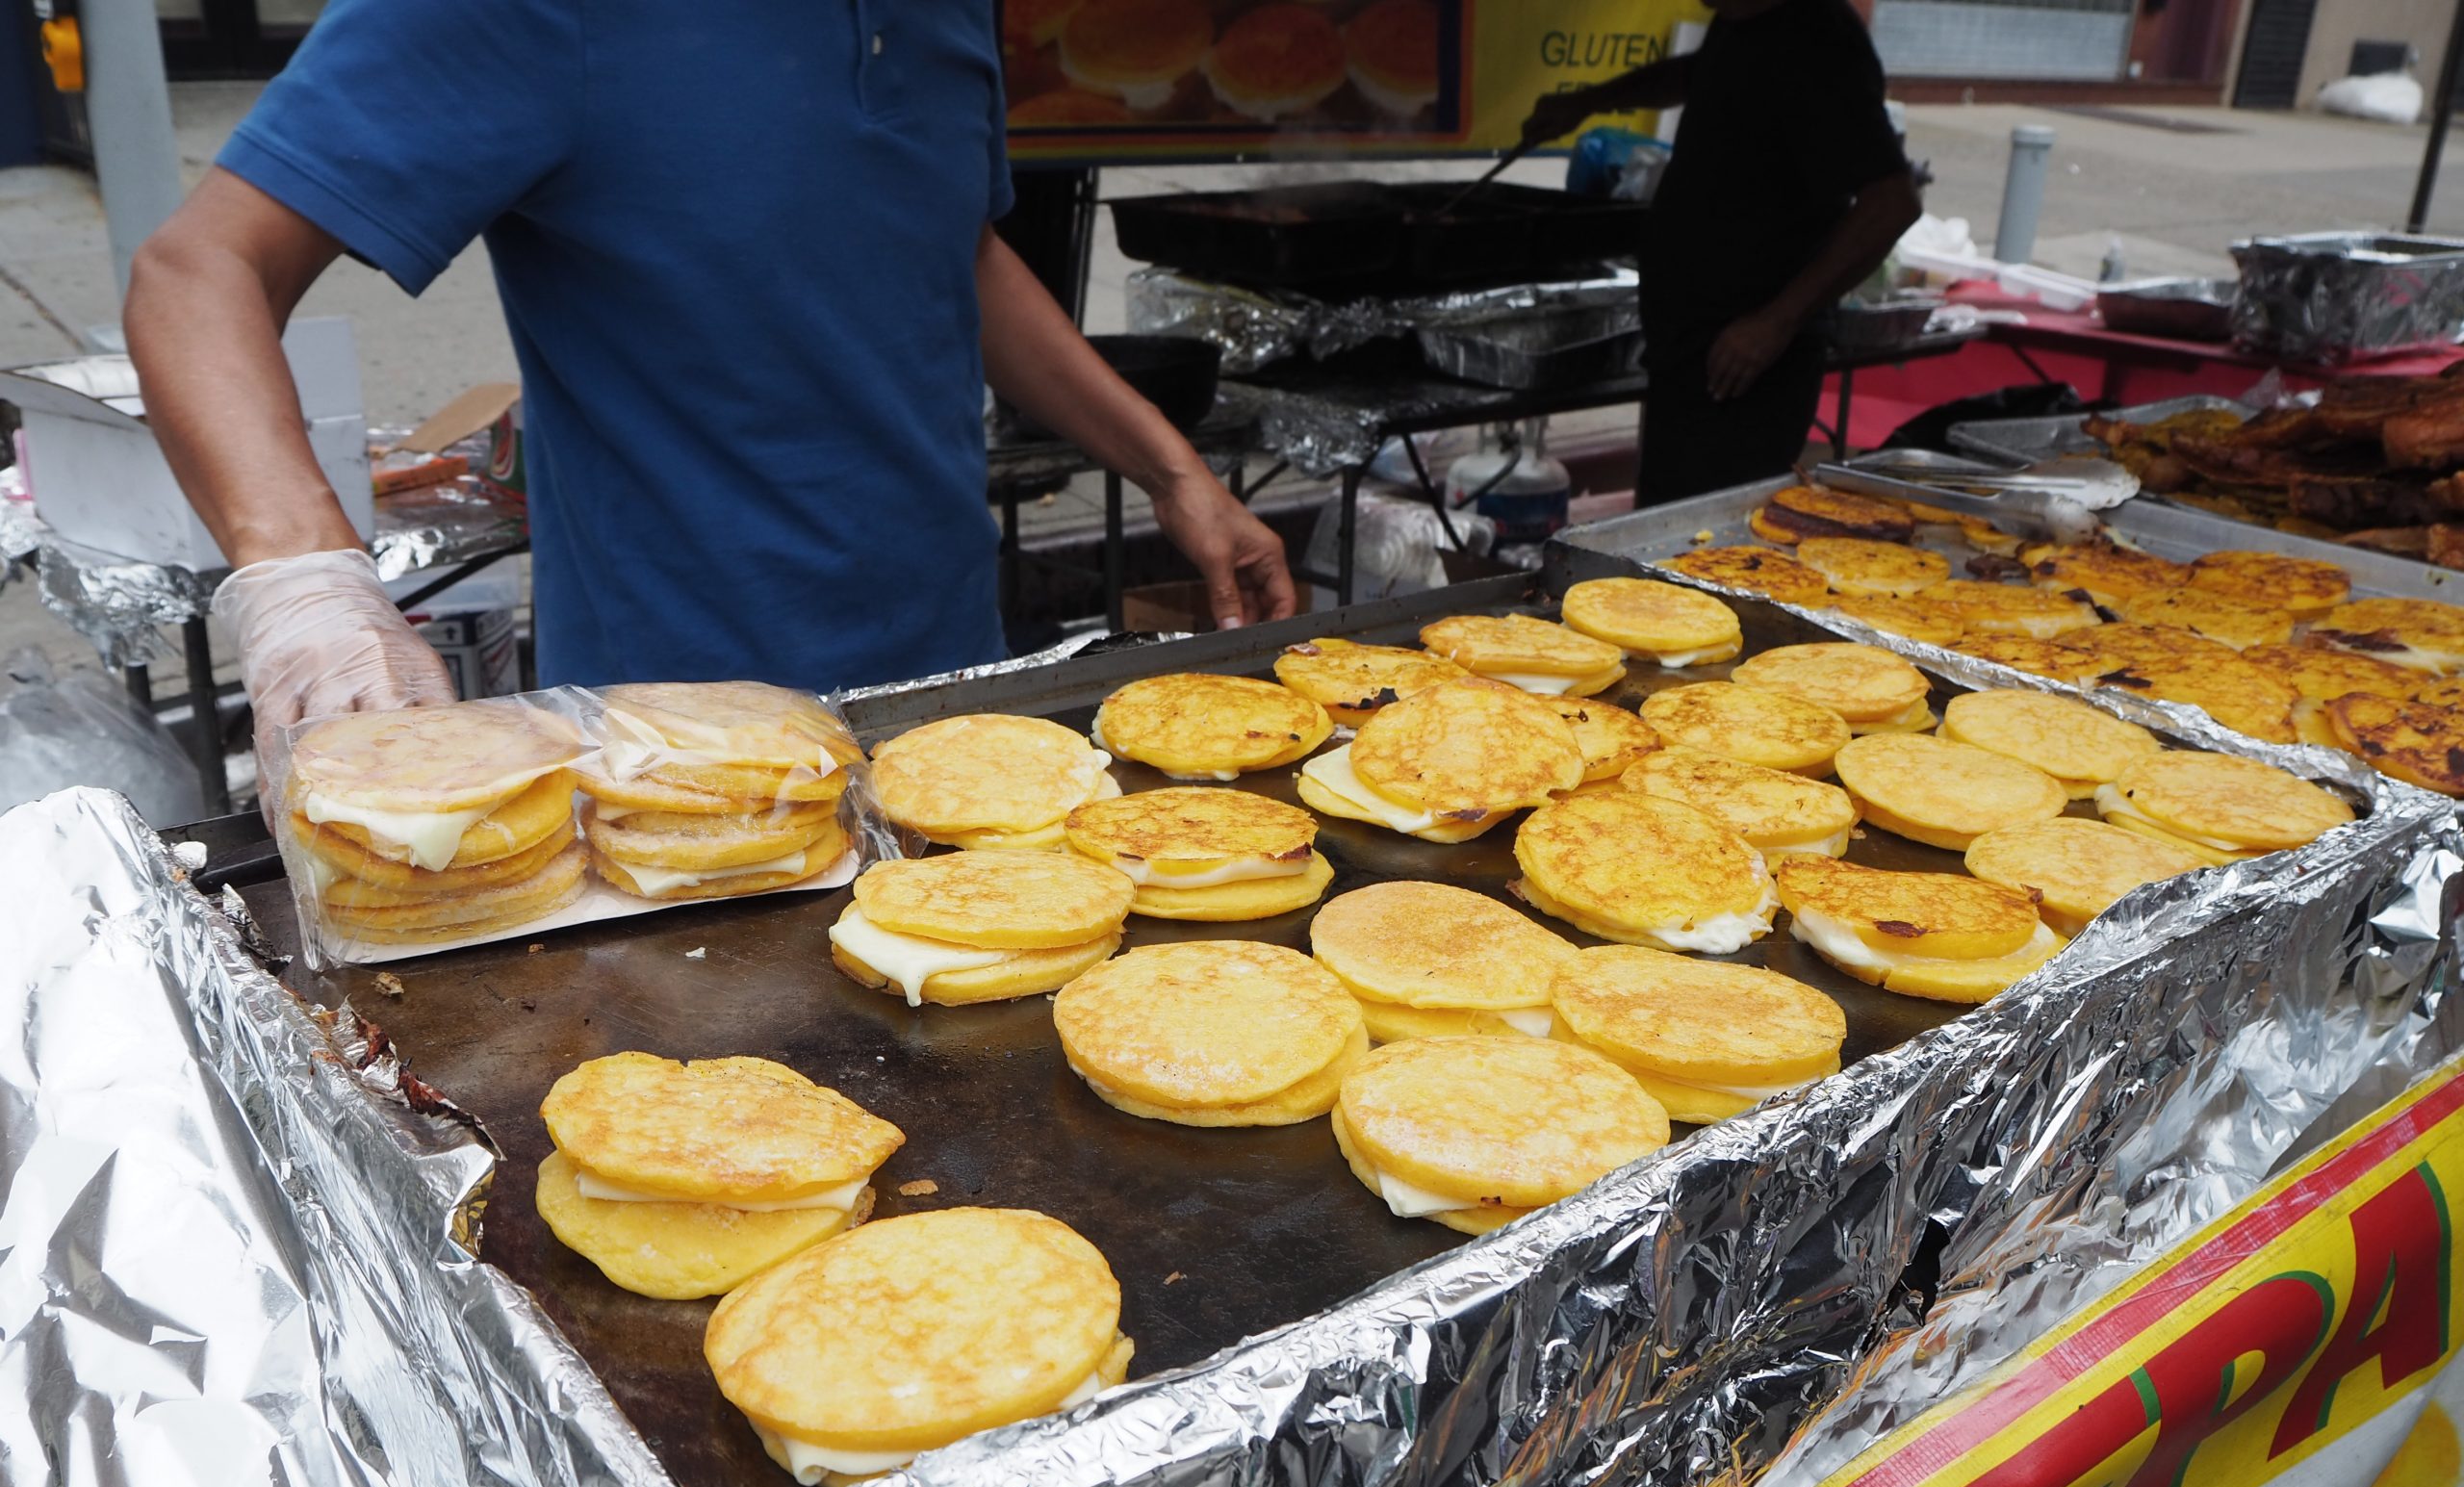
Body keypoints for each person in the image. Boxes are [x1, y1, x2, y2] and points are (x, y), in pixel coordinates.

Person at [124, 0, 1295, 758]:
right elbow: (199, 271)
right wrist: (312, 590)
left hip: (953, 682)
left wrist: (1169, 469)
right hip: (678, 737)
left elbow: (955, 251)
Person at [1523, 0, 1921, 505]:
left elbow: (1892, 202)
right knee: (1663, 526)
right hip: (1688, 350)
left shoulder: (1819, 38)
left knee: (1709, 547)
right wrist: (1588, 101)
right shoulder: (1740, 20)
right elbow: (1694, 75)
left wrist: (1775, 322)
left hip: (1745, 366)